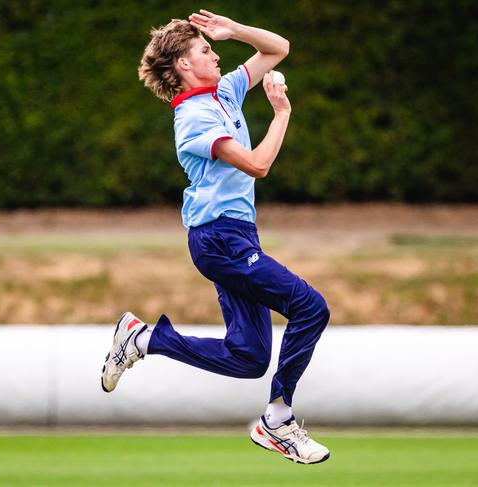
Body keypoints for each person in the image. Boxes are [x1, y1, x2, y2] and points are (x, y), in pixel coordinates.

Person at [100, 9, 330, 465]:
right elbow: (258, 165)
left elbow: (278, 47)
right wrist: (281, 114)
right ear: (184, 66)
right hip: (219, 240)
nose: (216, 54)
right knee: (310, 307)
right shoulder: (192, 119)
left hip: (238, 237)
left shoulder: (225, 90)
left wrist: (236, 30)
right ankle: (279, 421)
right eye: (206, 50)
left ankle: (143, 339)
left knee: (248, 358)